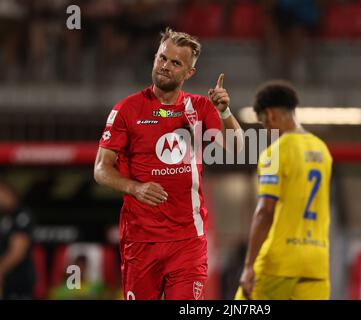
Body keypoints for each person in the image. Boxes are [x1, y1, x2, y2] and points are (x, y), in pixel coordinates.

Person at [94, 27, 243, 300]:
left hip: (188, 242)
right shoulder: (126, 109)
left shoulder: (200, 108)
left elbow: (236, 147)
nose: (165, 66)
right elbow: (101, 169)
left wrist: (224, 112)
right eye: (162, 58)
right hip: (140, 242)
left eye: (176, 63)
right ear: (155, 58)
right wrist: (135, 188)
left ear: (189, 73)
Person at [235, 80, 332, 300]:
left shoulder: (275, 153)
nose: (267, 131)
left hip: (280, 261)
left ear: (269, 114)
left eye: (264, 125)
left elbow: (265, 211)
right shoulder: (322, 150)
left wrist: (249, 265)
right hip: (317, 262)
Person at [0, 182, 36, 300]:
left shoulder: (21, 215)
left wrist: (1, 269)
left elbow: (18, 251)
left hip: (19, 281)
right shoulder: (6, 217)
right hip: (8, 283)